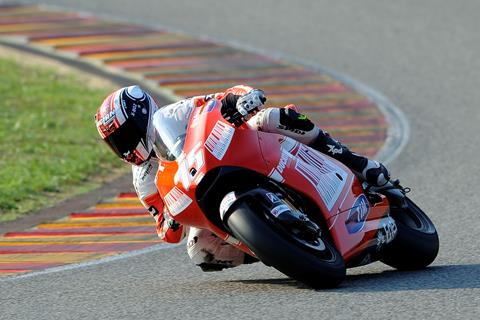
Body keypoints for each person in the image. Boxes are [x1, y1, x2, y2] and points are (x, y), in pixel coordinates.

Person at [95, 84, 390, 271]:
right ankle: (274, 247)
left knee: (272, 118)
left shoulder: (176, 114)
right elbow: (165, 230)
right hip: (203, 195)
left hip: (237, 150)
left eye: (124, 136)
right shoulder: (143, 178)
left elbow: (221, 99)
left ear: (142, 117)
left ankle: (356, 163)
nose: (123, 148)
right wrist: (171, 215)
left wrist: (241, 100)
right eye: (115, 143)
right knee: (200, 251)